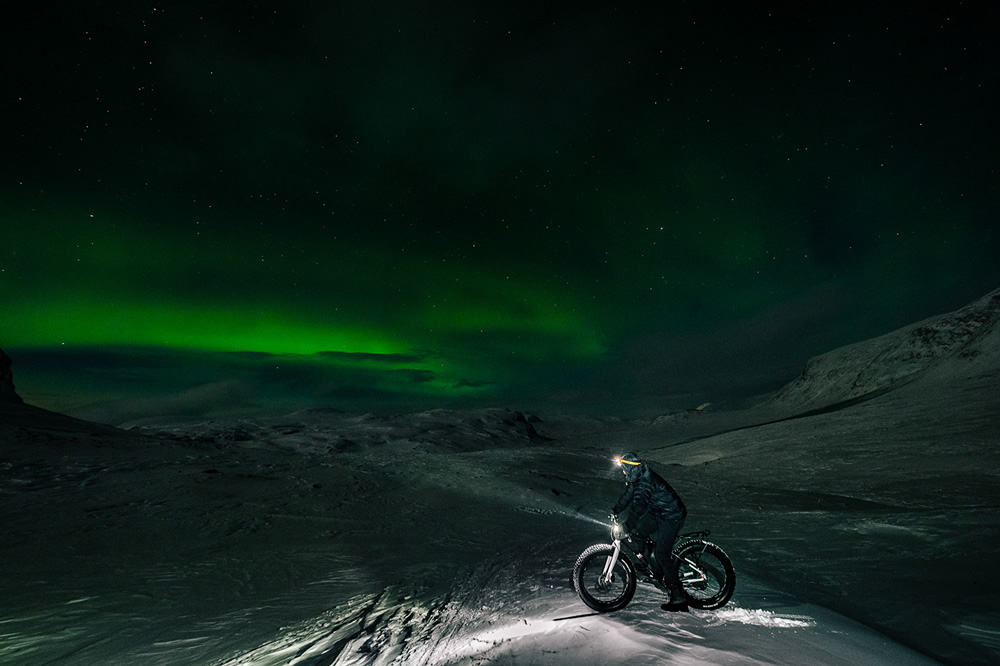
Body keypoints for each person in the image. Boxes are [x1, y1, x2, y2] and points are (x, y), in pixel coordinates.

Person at [612, 451, 689, 612]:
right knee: (638, 533)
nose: (623, 472)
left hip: (671, 515)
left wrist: (626, 526)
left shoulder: (645, 480)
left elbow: (638, 506)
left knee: (662, 554)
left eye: (624, 469)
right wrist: (616, 510)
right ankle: (652, 563)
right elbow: (629, 495)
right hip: (658, 512)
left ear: (630, 468)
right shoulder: (637, 476)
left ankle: (678, 596)